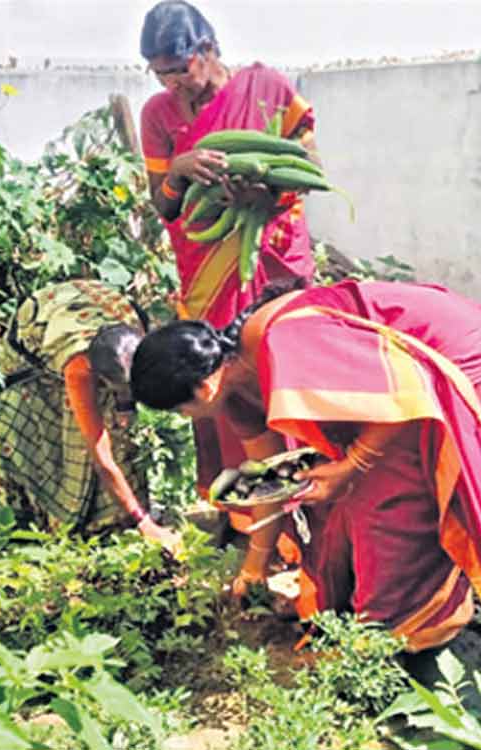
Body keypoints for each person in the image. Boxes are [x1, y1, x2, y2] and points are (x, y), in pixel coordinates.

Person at [130, 279, 481, 653]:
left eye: (182, 409)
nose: (186, 417)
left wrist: (352, 465)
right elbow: (270, 476)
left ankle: (404, 632)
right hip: (392, 383)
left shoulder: (282, 344)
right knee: (328, 496)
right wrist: (254, 568)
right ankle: (353, 608)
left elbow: (406, 392)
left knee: (395, 497)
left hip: (442, 348)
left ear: (202, 389)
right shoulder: (232, 387)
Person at [138, 0, 318, 498]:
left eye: (178, 69)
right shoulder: (158, 115)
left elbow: (308, 170)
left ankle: (307, 494)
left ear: (208, 49)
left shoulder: (268, 92)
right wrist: (178, 170)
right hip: (206, 268)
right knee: (210, 379)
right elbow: (165, 208)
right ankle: (234, 504)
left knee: (286, 369)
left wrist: (263, 196)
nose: (171, 83)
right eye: (159, 74)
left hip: (273, 256)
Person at [0, 279, 179, 550]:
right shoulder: (78, 366)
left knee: (119, 427)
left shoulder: (138, 332)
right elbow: (101, 457)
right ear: (95, 373)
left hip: (81, 313)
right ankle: (62, 526)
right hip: (32, 368)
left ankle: (113, 520)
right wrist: (143, 522)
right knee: (70, 441)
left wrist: (125, 406)